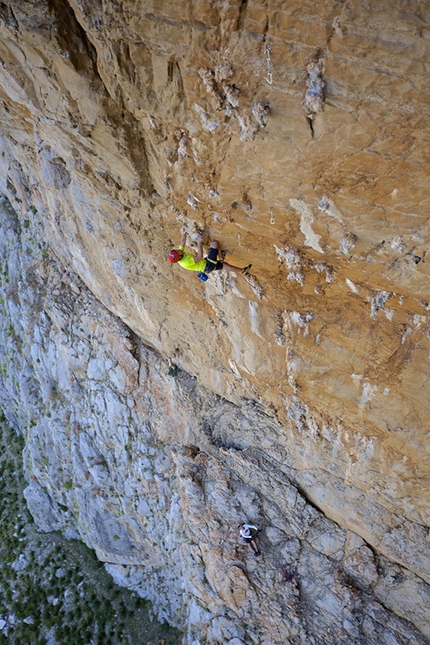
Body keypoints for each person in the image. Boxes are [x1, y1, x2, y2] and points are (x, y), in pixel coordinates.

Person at [168, 226, 251, 281]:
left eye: (176, 250)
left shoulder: (179, 254)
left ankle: (243, 270)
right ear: (178, 257)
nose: (179, 250)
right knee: (214, 243)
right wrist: (199, 242)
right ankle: (221, 258)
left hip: (206, 266)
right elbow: (199, 257)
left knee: (224, 265)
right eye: (178, 252)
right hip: (207, 265)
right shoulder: (185, 262)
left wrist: (183, 233)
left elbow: (182, 242)